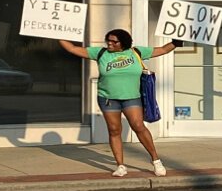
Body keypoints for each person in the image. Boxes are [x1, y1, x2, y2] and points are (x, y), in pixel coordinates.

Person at [59, 29, 182, 177]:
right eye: (108, 40)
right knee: (114, 130)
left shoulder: (136, 52)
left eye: (114, 41)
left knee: (138, 126)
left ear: (123, 42)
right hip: (108, 98)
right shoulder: (101, 53)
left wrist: (176, 42)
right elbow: (73, 49)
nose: (110, 43)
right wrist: (57, 35)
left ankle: (156, 160)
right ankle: (120, 166)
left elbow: (162, 50)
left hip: (132, 97)